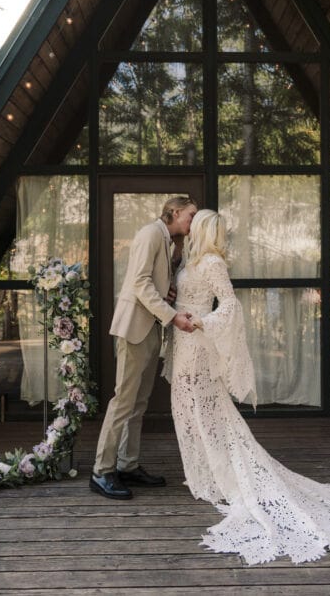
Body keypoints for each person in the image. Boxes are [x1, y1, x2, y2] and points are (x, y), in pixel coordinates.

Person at [169, 209, 330, 564]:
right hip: (181, 344)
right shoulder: (191, 260)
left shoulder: (213, 263)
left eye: (196, 224)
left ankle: (221, 479)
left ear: (203, 230)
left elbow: (231, 305)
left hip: (198, 343)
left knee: (207, 412)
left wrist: (203, 321)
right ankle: (205, 476)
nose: (189, 228)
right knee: (187, 410)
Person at [90, 196, 199, 500]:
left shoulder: (166, 239)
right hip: (135, 328)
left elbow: (152, 282)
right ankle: (102, 471)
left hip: (151, 328)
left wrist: (168, 293)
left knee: (139, 403)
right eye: (190, 215)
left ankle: (127, 465)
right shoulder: (151, 234)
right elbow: (139, 283)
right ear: (175, 212)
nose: (192, 222)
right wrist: (173, 316)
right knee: (123, 402)